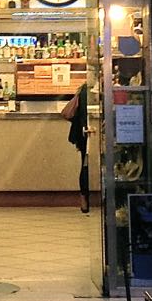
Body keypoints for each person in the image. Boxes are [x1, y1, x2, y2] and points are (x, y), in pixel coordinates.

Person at [66, 82, 90, 213]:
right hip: (86, 132)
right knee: (85, 166)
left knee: (84, 165)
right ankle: (84, 198)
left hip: (82, 134)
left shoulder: (83, 89)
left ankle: (84, 200)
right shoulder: (88, 90)